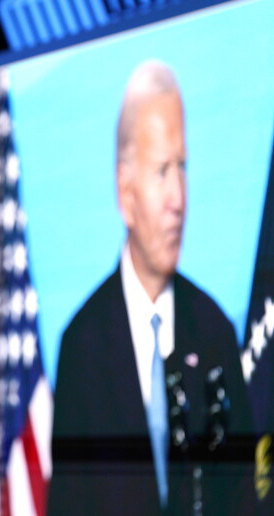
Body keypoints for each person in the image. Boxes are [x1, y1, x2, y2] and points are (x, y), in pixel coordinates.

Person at [48, 59, 255, 515]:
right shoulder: (81, 345)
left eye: (183, 168)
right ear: (125, 192)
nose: (179, 199)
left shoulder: (215, 330)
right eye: (162, 171)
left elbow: (244, 496)